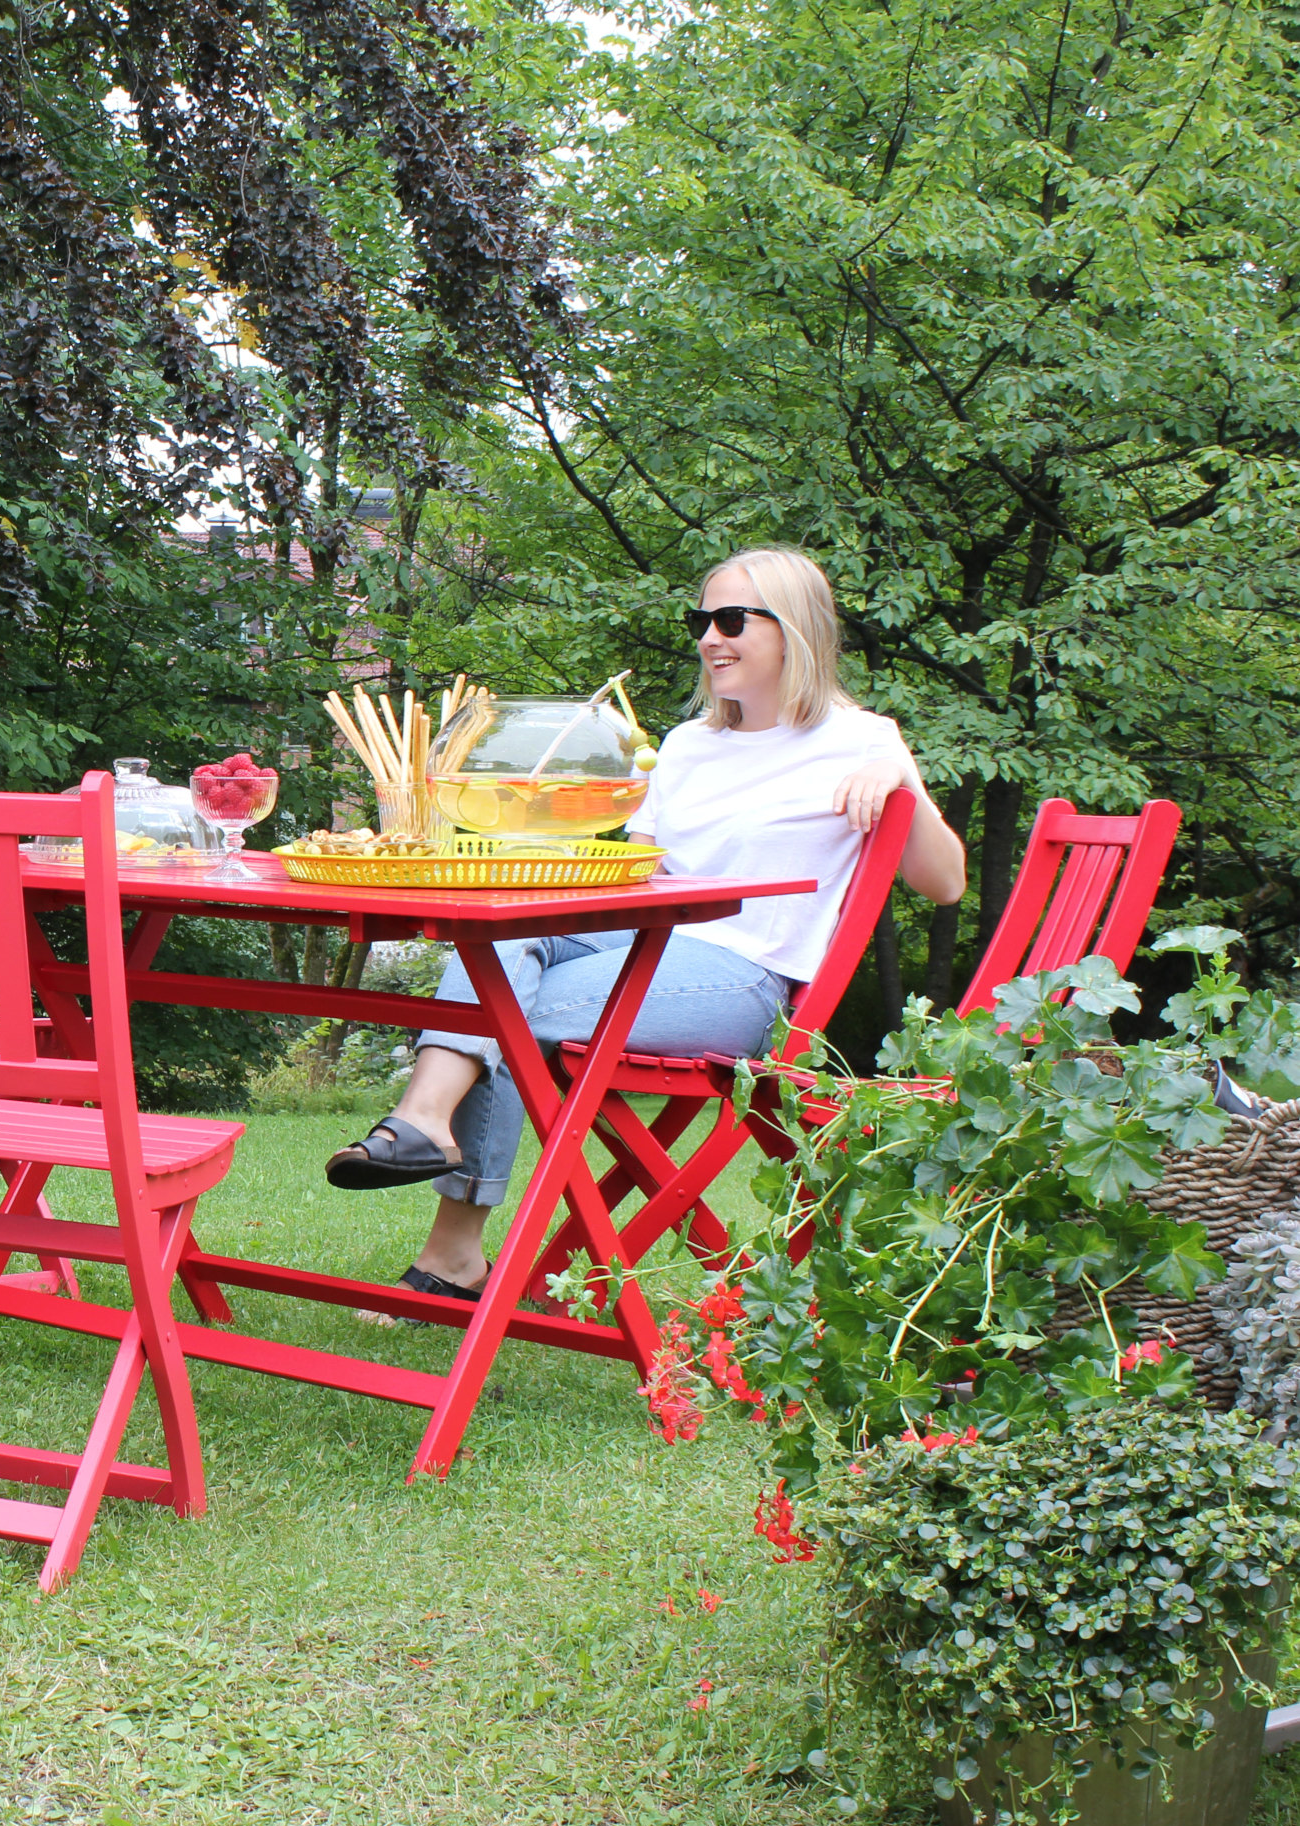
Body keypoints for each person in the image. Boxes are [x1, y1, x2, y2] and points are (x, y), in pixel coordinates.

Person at [322, 545, 968, 1307]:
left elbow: (945, 881)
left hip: (743, 974)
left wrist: (899, 778)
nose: (708, 639)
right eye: (702, 621)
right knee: (491, 939)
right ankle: (428, 1133)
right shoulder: (690, 745)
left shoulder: (861, 741)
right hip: (643, 941)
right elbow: (641, 870)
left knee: (493, 1008)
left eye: (731, 620)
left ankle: (448, 1232)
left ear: (796, 631)